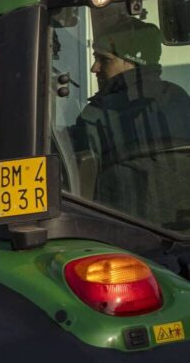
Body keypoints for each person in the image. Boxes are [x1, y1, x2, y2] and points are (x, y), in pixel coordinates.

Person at [72, 17, 190, 221]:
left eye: (105, 60)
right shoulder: (178, 97)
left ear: (132, 61)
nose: (94, 68)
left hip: (124, 231)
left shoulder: (98, 115)